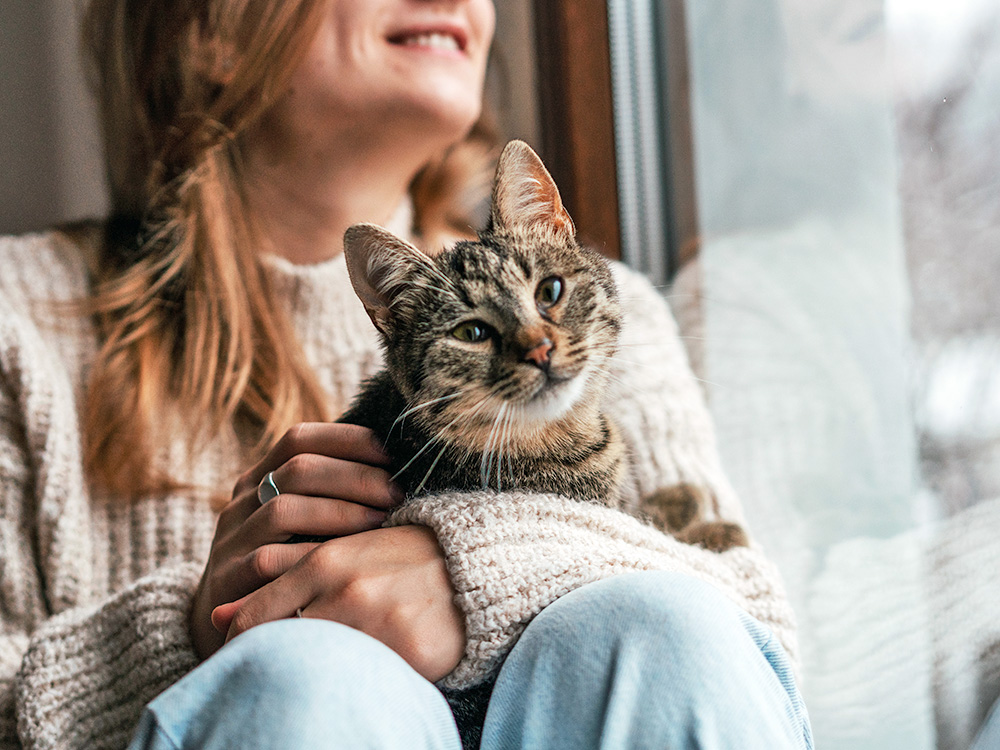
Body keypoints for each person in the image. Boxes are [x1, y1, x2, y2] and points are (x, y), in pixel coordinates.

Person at [0, 0, 813, 748]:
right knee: (308, 681)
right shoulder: (18, 319)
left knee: (665, 630)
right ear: (210, 28)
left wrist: (475, 574)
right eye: (477, 333)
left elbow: (755, 632)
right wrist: (192, 637)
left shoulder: (599, 313)